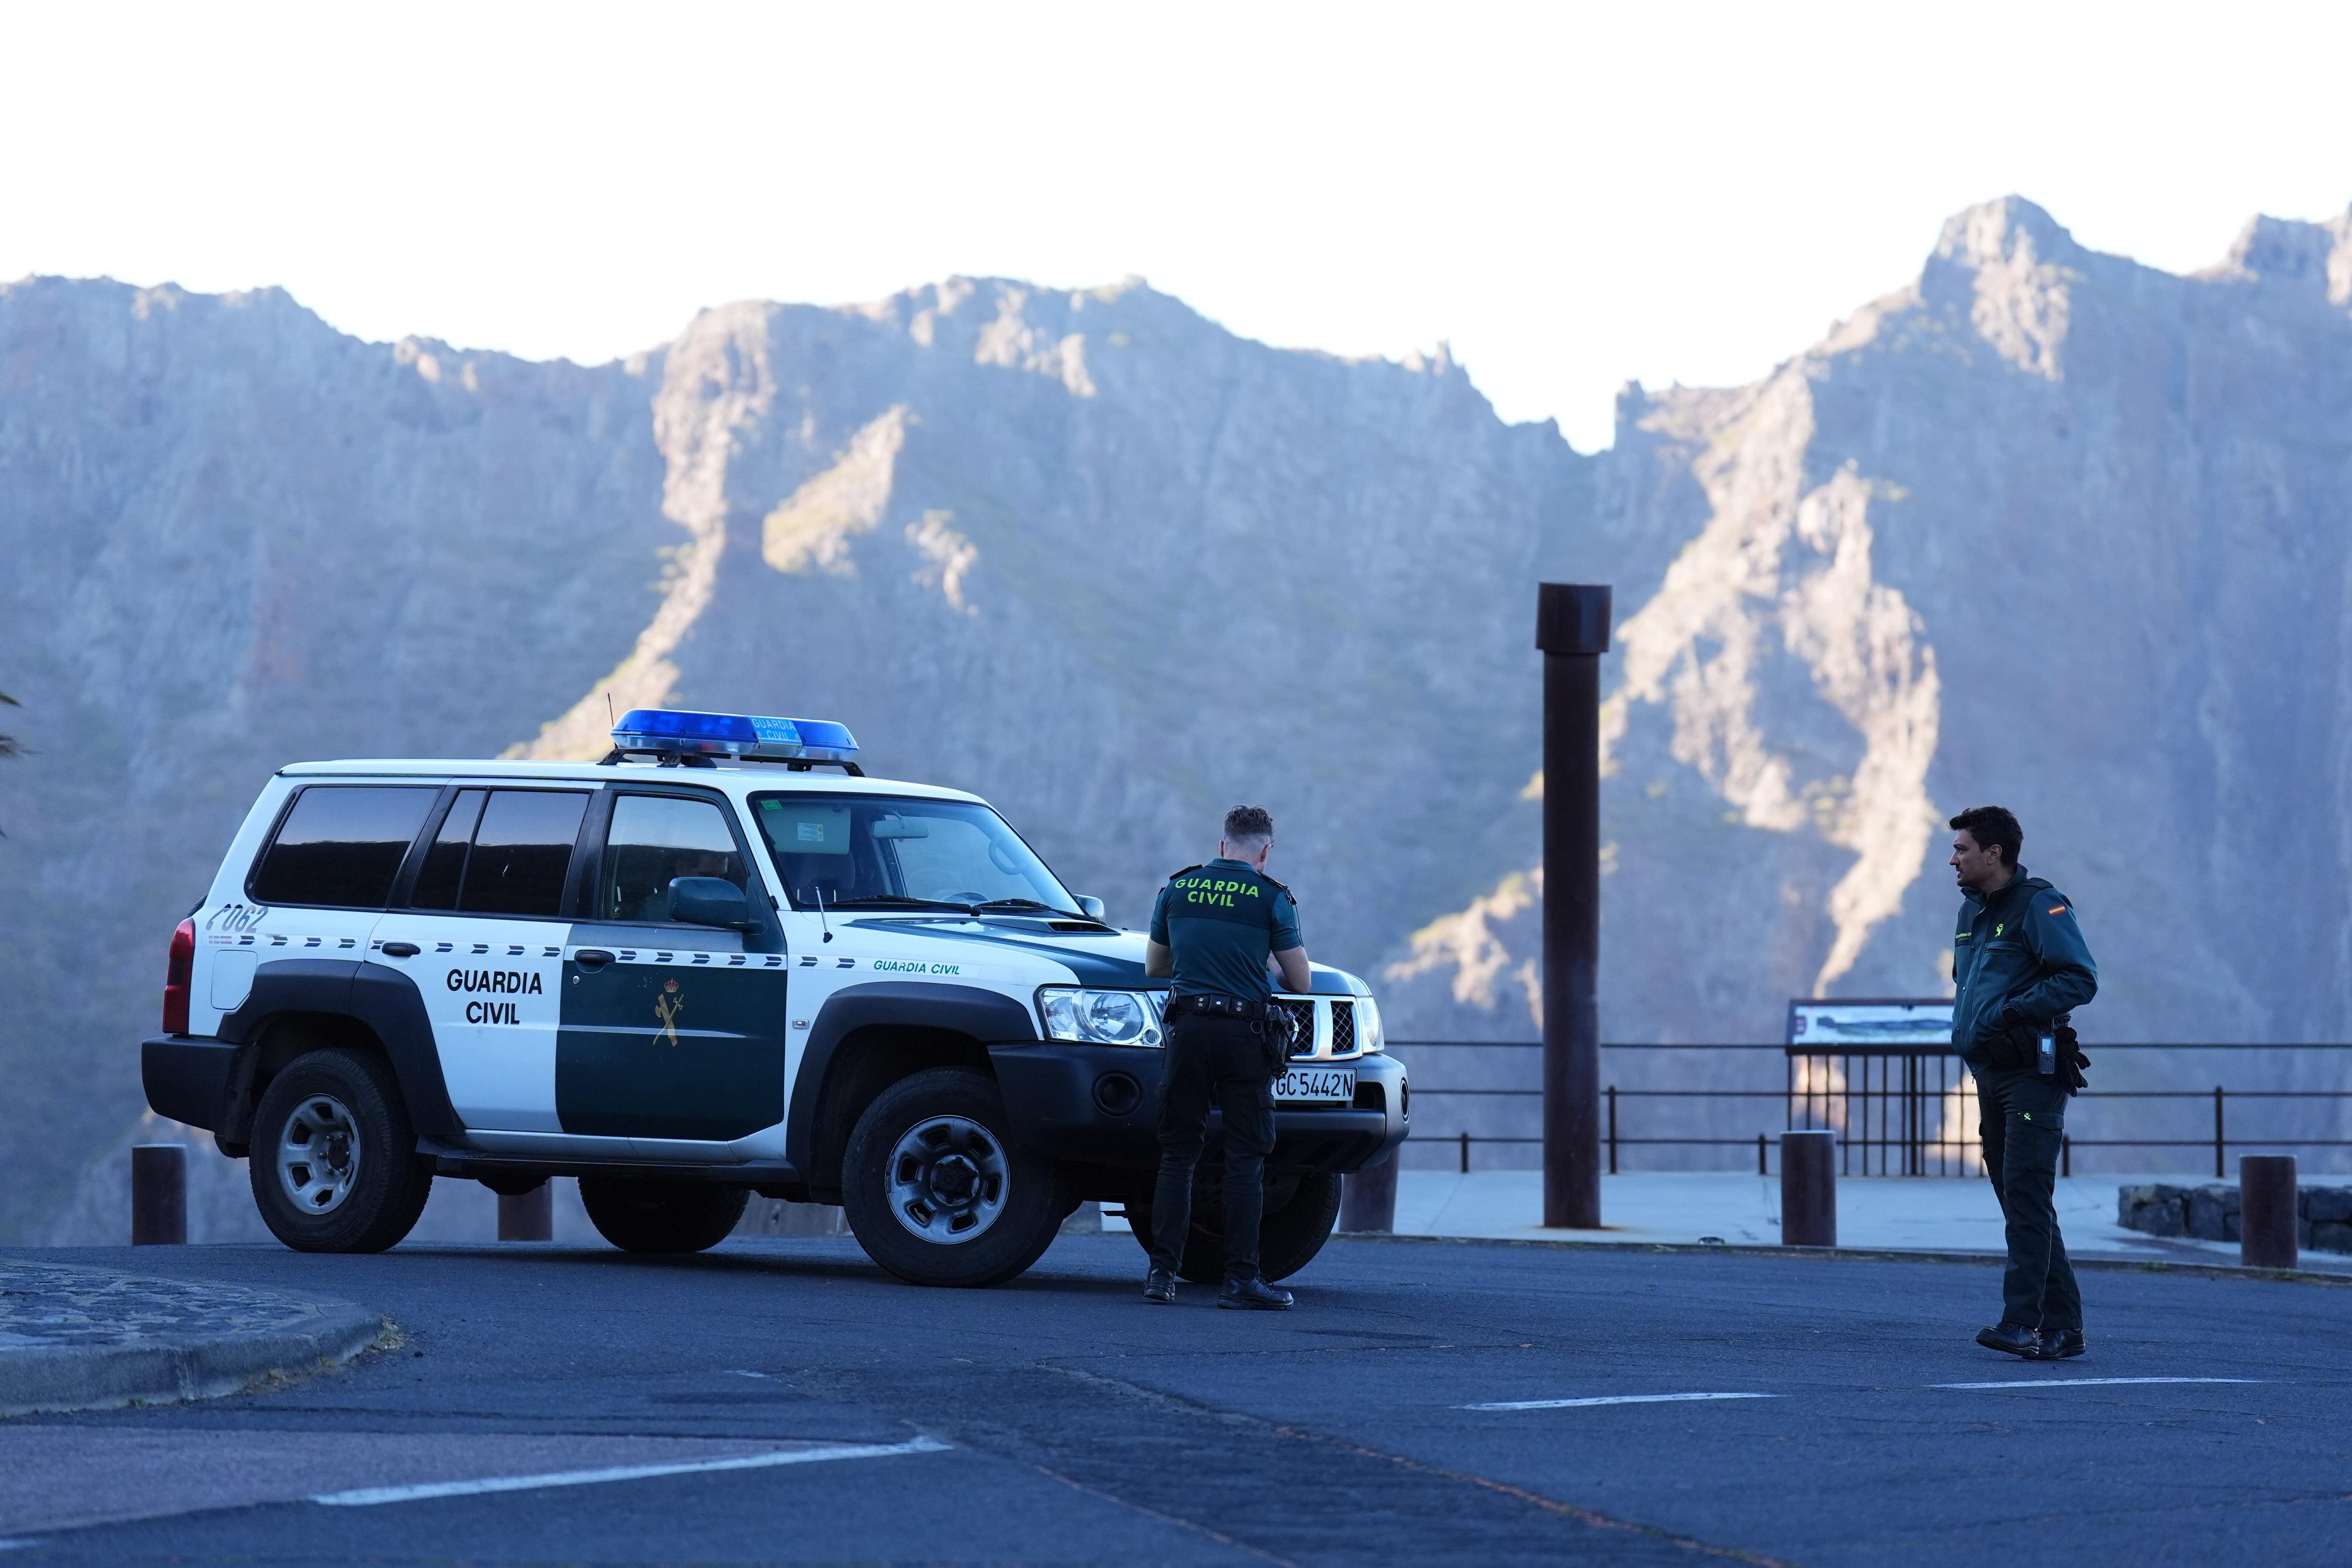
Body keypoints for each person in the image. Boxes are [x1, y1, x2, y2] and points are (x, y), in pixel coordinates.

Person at [1140, 805, 1311, 1309]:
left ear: (1222, 846)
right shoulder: (1271, 898)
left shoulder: (1177, 889)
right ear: (1265, 851)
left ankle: (1161, 1276)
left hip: (1188, 1030)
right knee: (1245, 1158)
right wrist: (1258, 968)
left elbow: (1156, 966)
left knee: (1178, 1155)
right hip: (1245, 1037)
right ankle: (1240, 1281)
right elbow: (1300, 981)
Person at [1947, 805, 2098, 1360]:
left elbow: (2080, 978)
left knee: (2029, 1197)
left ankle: (2021, 1324)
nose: (1953, 858)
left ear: (1995, 854)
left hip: (2032, 1076)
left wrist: (2014, 1012)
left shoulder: (2040, 904)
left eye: (1963, 849)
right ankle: (2065, 1327)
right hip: (1989, 1072)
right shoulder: (1971, 914)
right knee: (2019, 1199)